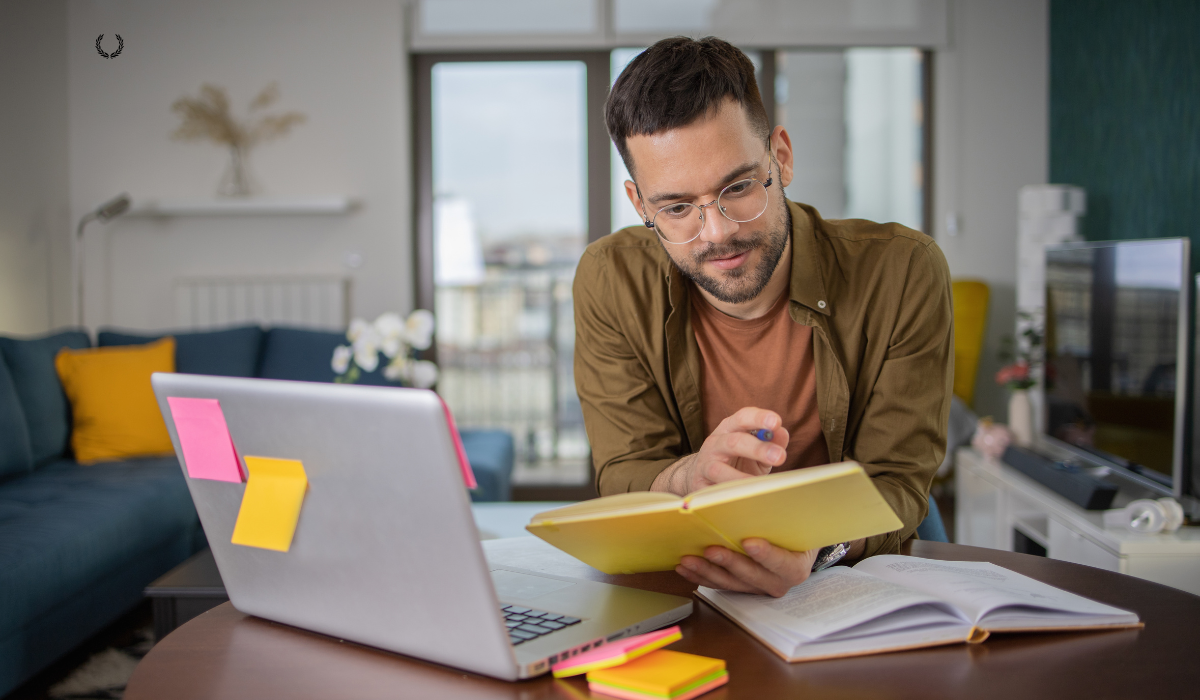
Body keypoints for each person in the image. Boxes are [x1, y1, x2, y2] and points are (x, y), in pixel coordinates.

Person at [573, 37, 953, 597]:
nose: (718, 231)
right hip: (695, 584)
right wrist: (690, 475)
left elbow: (896, 479)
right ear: (640, 204)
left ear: (781, 157)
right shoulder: (610, 278)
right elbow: (625, 471)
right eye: (677, 207)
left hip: (851, 577)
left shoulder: (904, 270)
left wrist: (817, 549)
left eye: (738, 187)